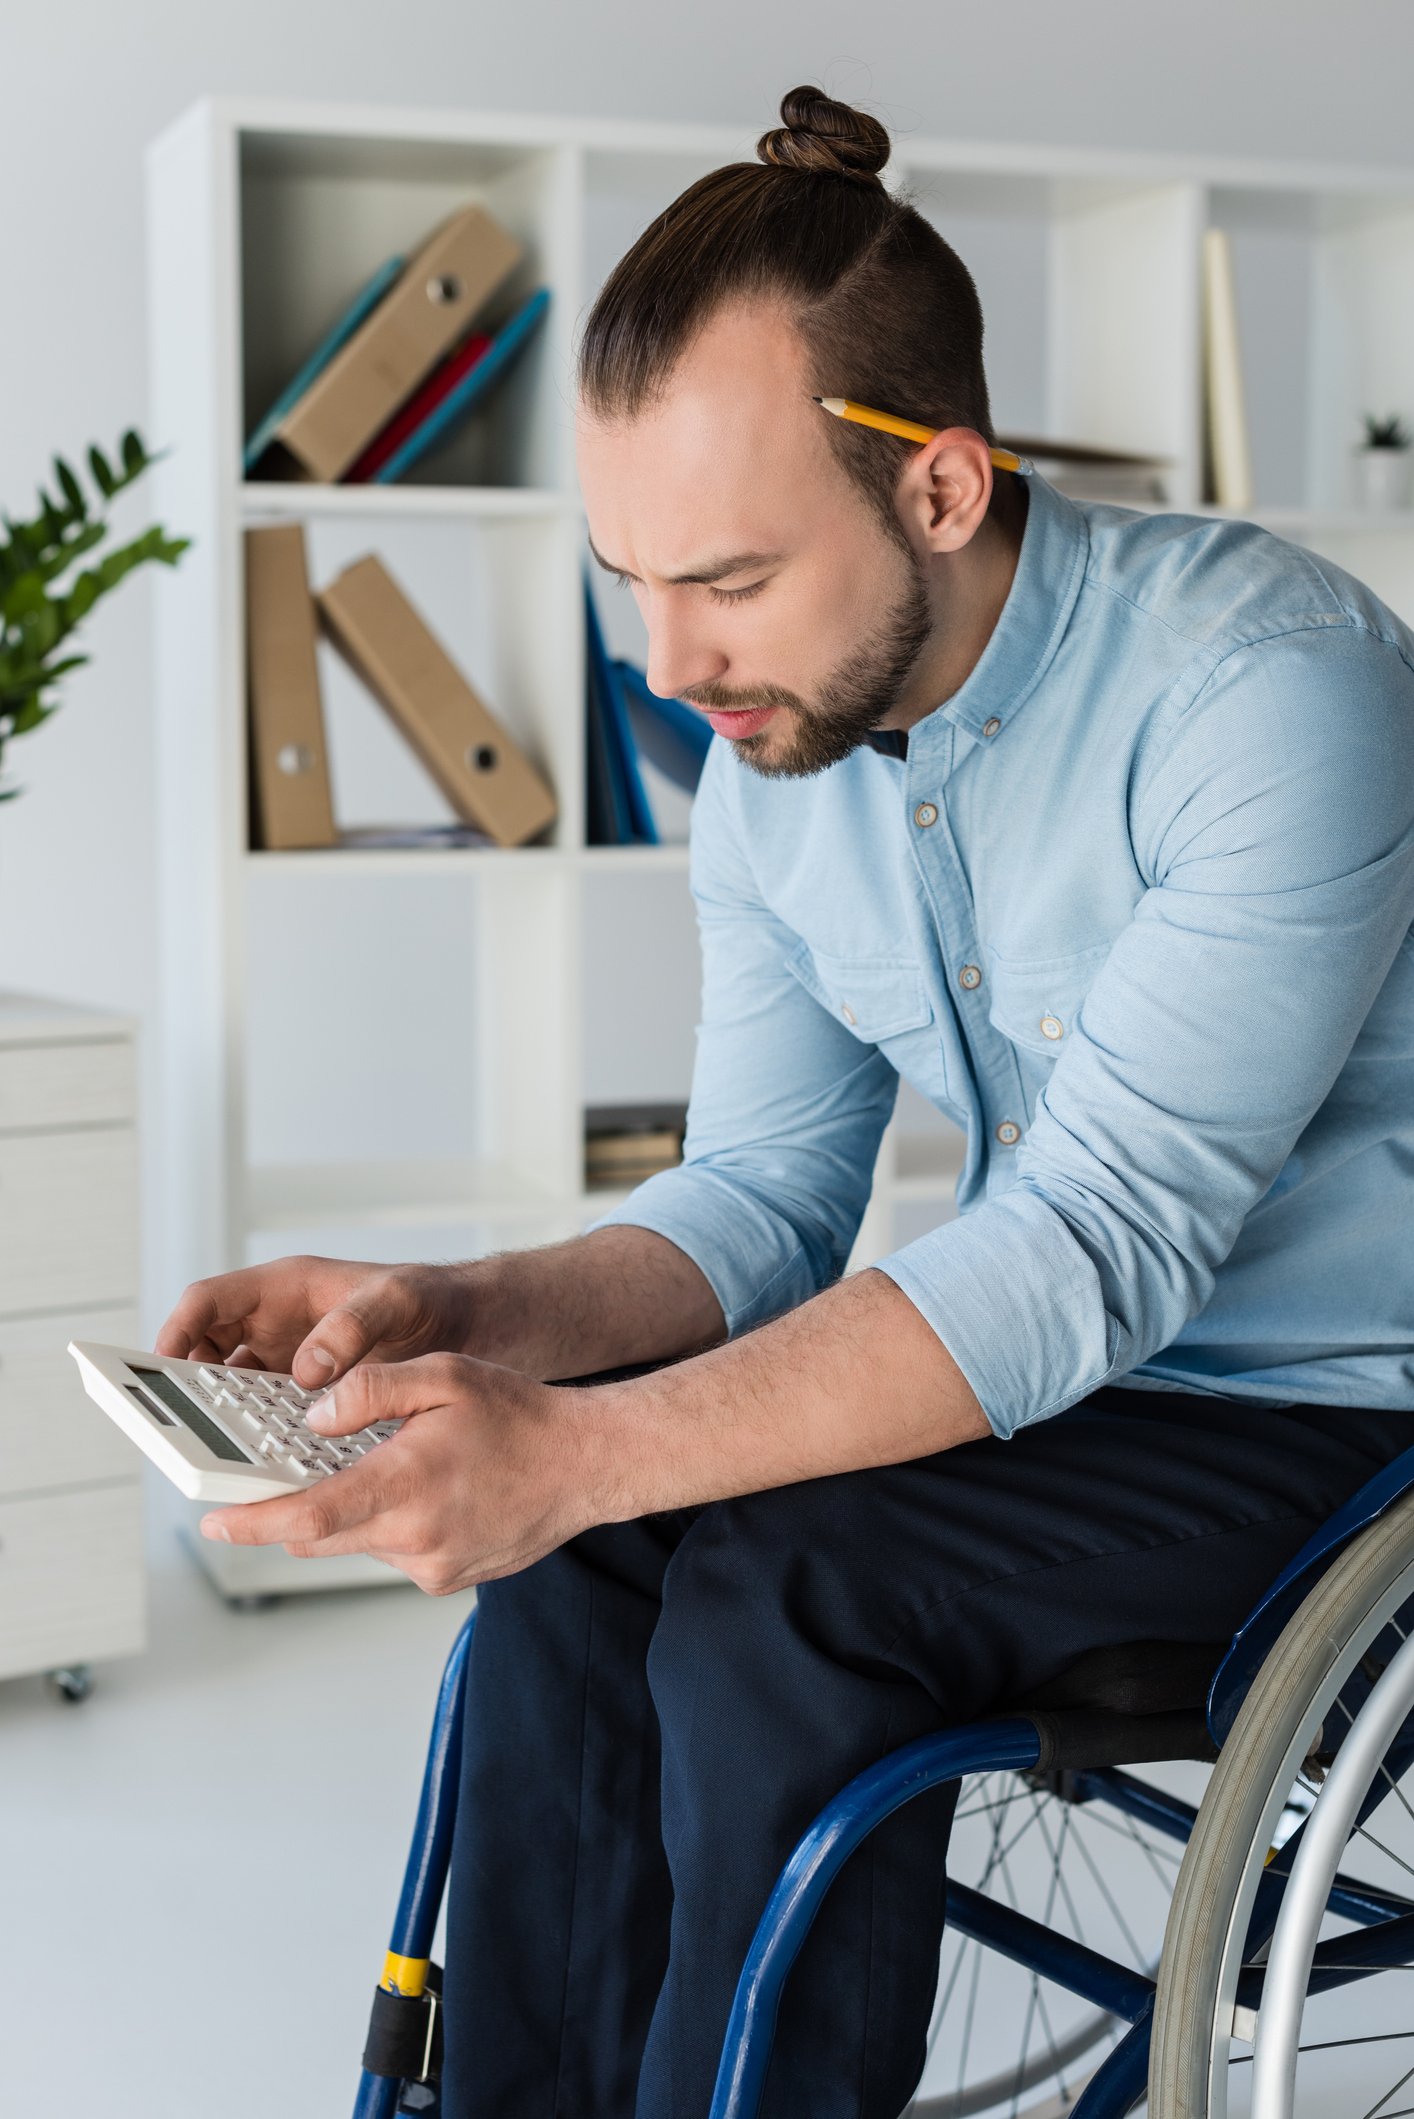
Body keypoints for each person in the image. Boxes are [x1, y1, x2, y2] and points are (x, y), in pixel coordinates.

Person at [157, 84, 1414, 2119]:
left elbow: (1095, 1245)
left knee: (772, 1590)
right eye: (630, 583)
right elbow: (754, 1199)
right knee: (582, 1555)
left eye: (725, 579)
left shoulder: (1268, 692)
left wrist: (578, 1450)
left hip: (1335, 1424)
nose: (665, 664)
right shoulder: (773, 756)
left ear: (938, 487)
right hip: (1067, 1379)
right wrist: (458, 1314)